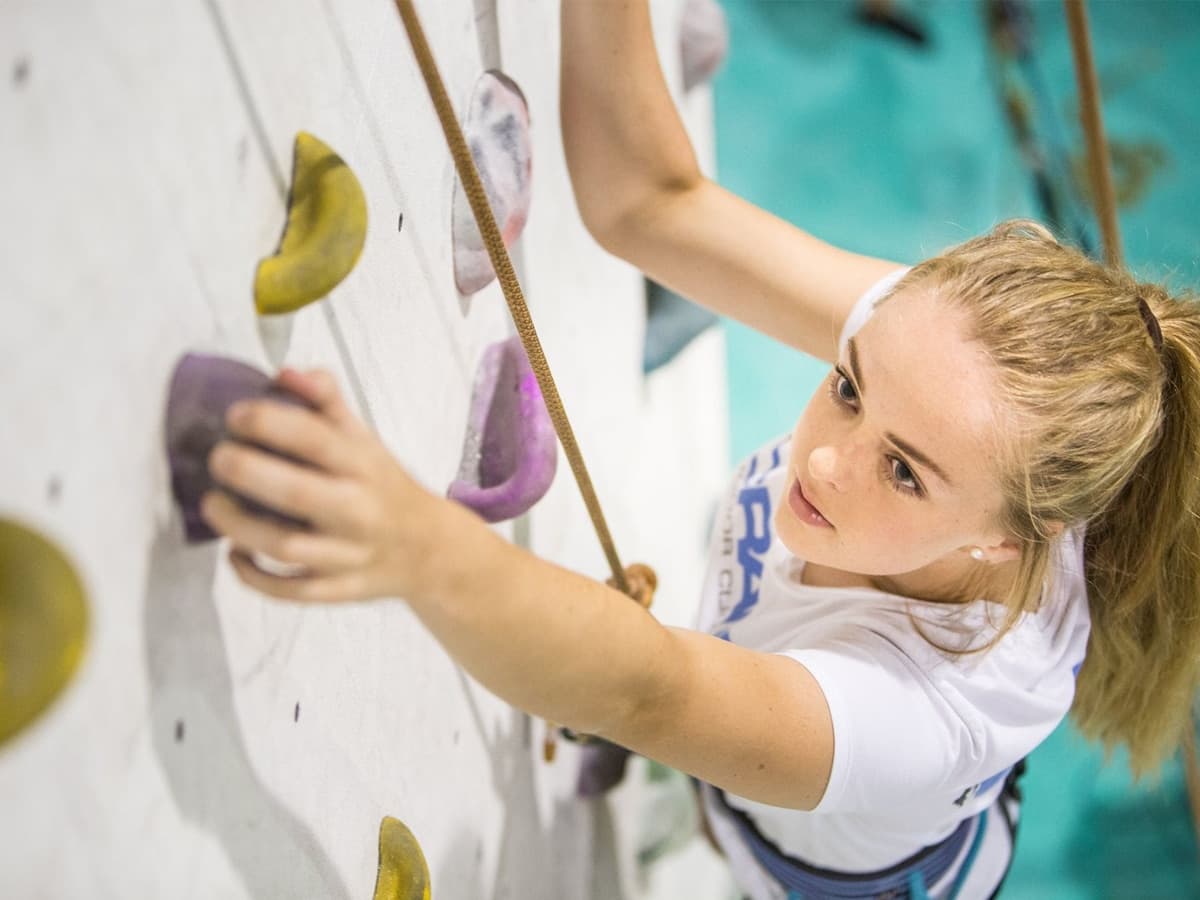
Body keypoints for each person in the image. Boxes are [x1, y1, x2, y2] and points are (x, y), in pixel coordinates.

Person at [199, 3, 1200, 897]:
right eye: (847, 387)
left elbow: (649, 689)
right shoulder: (940, 364)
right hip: (811, 763)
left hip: (855, 878)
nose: (821, 463)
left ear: (1016, 539)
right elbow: (651, 202)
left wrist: (410, 543)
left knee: (745, 831)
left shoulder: (922, 713)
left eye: (902, 468)